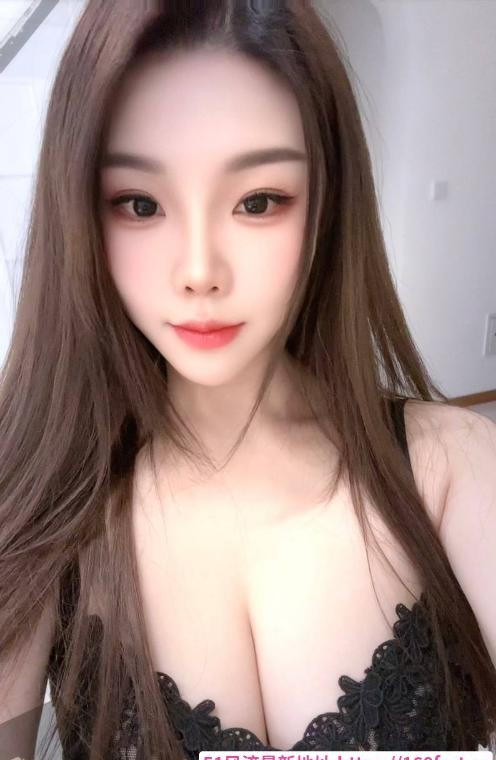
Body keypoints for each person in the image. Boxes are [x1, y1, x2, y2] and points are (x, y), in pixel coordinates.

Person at [0, 2, 495, 759]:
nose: (199, 270)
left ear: (328, 205)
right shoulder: (45, 507)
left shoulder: (452, 468)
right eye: (140, 204)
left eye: (257, 201)